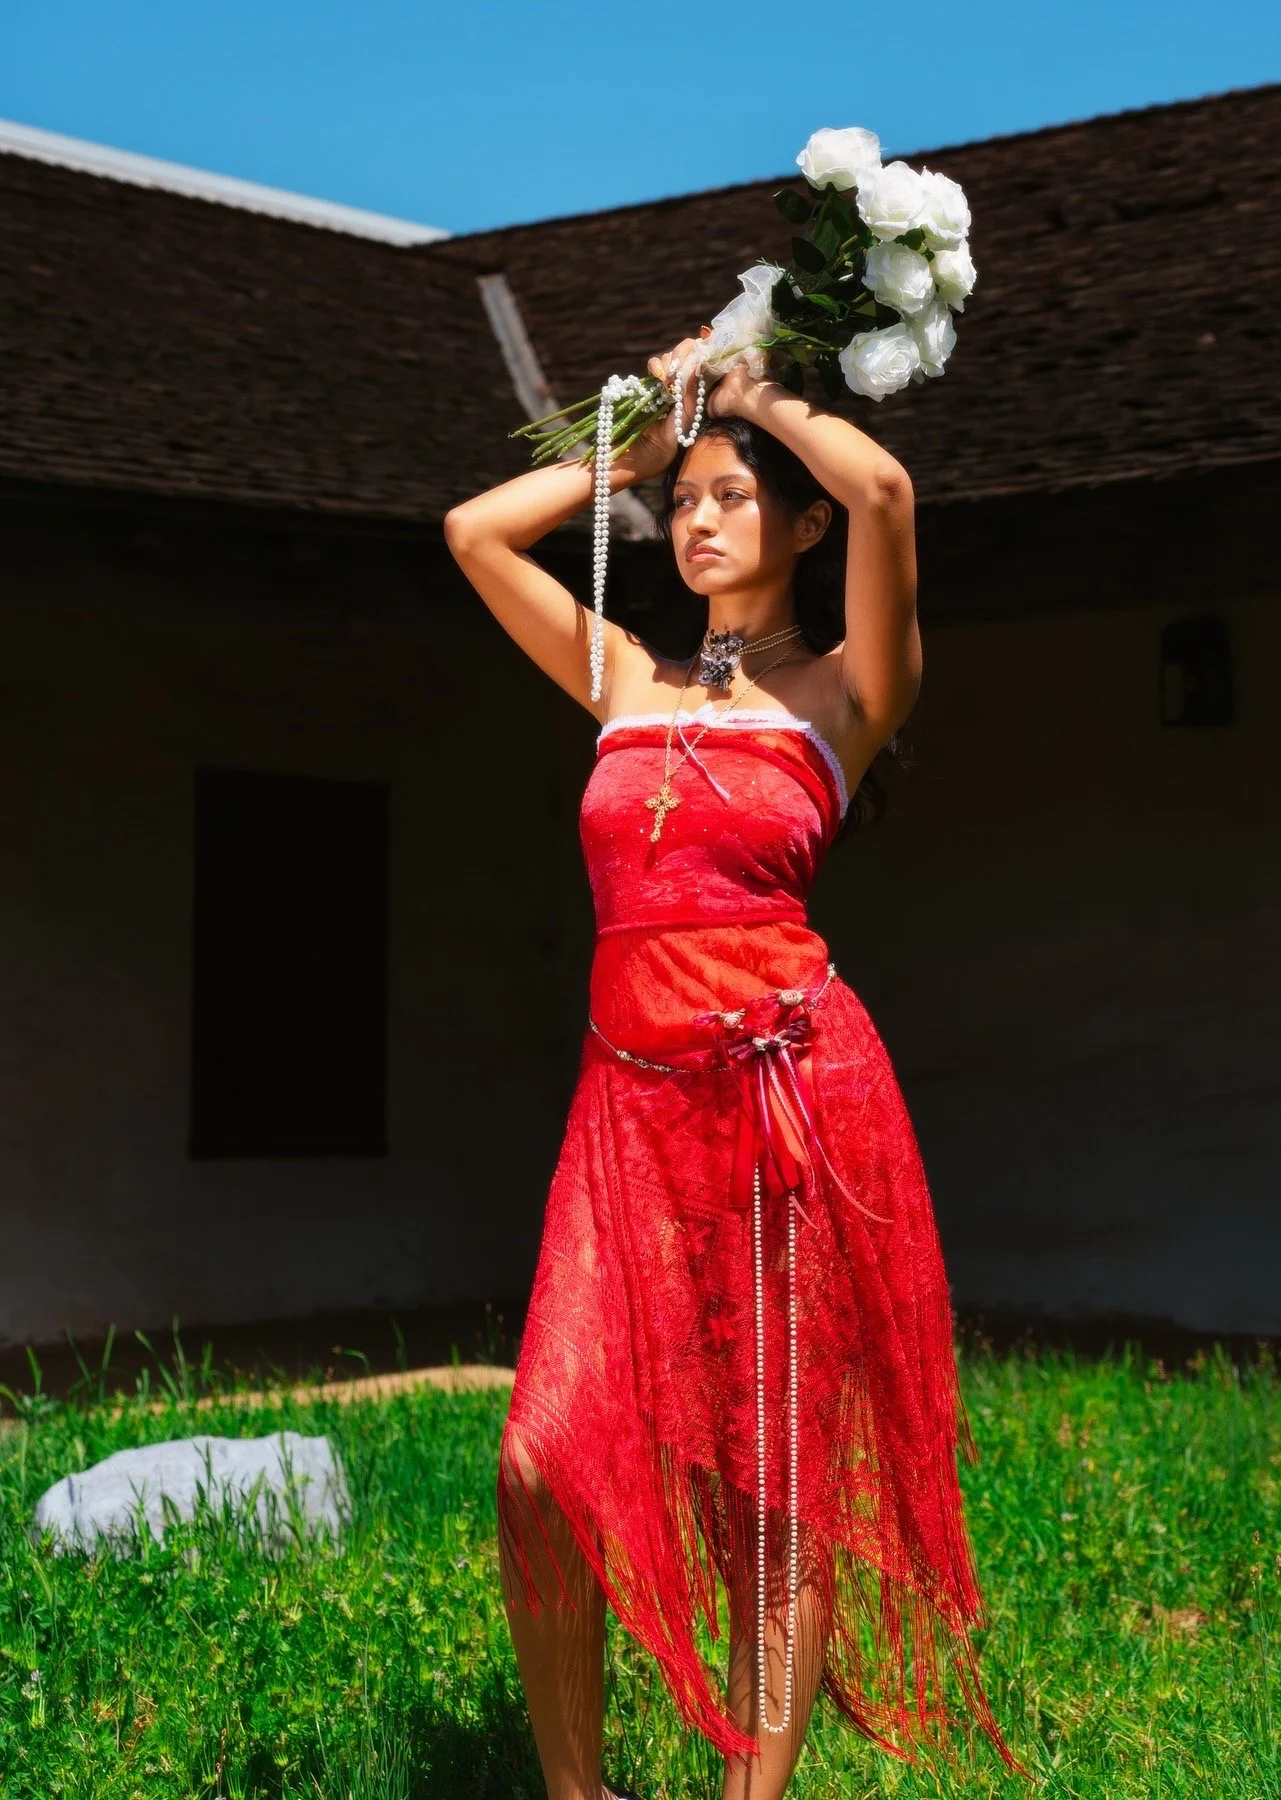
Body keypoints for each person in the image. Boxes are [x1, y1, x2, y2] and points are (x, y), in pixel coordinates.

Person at [444, 336, 1032, 1800]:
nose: (697, 523)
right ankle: (575, 1793)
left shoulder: (844, 693)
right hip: (626, 1107)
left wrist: (758, 389)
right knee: (542, 1462)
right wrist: (637, 448)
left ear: (801, 524)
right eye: (685, 505)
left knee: (773, 1486)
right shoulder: (625, 677)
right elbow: (469, 533)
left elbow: (888, 487)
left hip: (781, 1095)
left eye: (730, 499)